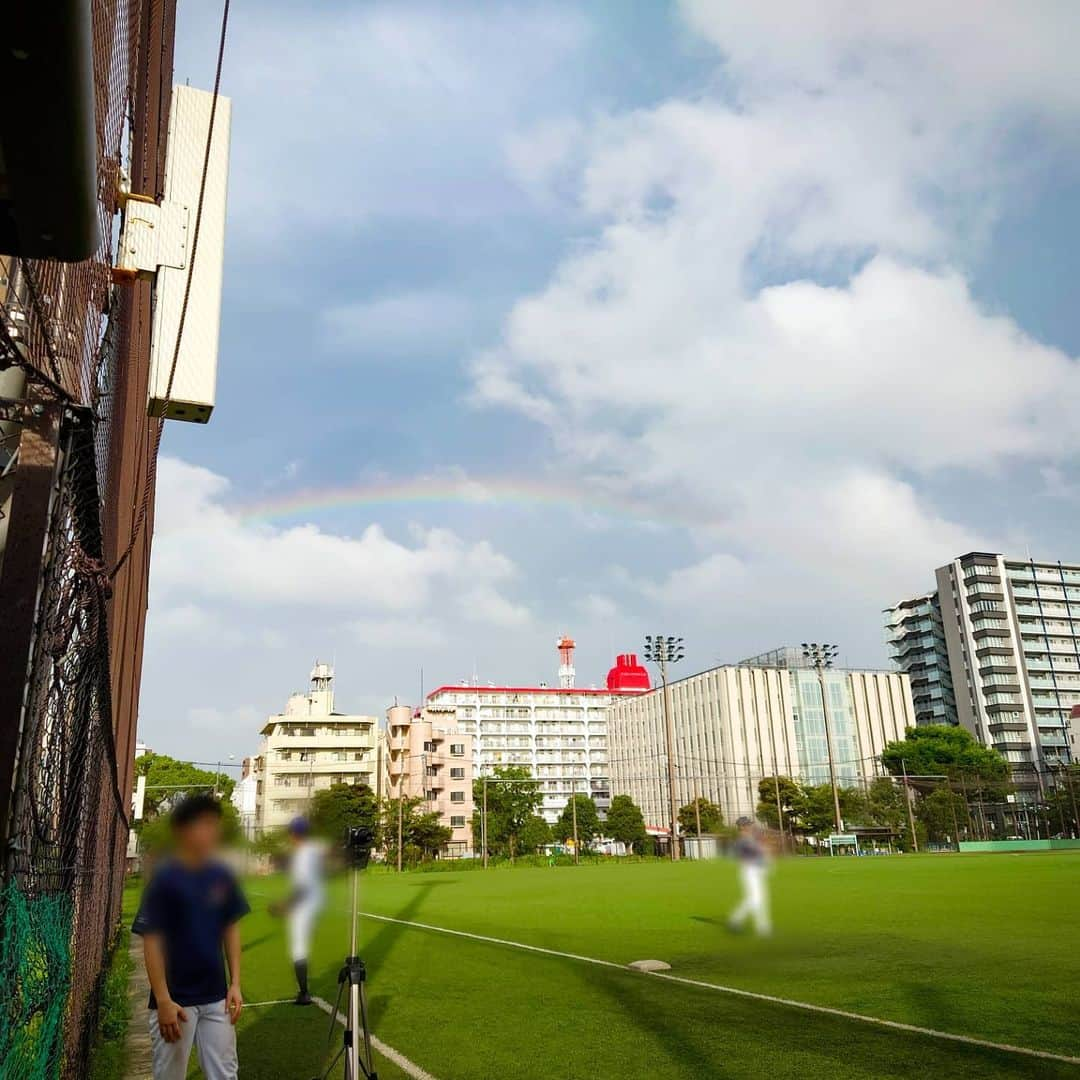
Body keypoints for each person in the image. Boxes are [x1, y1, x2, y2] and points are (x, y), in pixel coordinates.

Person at [132, 794, 249, 1080]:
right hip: (176, 1001)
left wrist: (234, 983)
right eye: (205, 824)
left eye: (215, 825)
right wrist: (163, 1000)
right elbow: (152, 940)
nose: (213, 832)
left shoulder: (222, 874)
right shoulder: (164, 879)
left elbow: (230, 927)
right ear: (184, 830)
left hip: (216, 998)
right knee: (170, 1075)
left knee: (225, 1073)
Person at [269, 816, 325, 1005]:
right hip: (315, 902)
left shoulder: (302, 854)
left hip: (304, 905)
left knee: (298, 949)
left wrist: (284, 906)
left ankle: (304, 993)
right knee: (301, 947)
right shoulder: (312, 850)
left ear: (294, 834)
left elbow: (302, 887)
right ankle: (304, 991)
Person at [727, 816, 771, 936]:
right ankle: (735, 919)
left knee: (761, 899)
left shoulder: (749, 838)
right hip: (750, 870)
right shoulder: (742, 840)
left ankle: (763, 927)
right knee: (755, 899)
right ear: (743, 827)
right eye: (748, 824)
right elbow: (737, 856)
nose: (750, 826)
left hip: (756, 869)